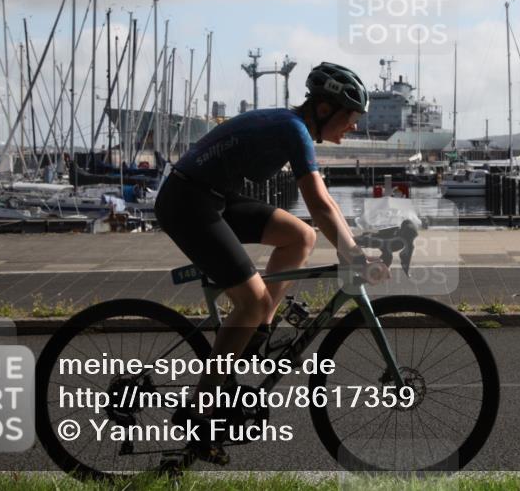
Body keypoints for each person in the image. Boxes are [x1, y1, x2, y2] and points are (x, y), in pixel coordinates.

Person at [154, 62, 389, 463]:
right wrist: (352, 254)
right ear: (325, 109)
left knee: (301, 236)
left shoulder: (296, 129)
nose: (353, 126)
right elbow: (316, 201)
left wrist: (351, 243)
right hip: (187, 202)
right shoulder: (293, 129)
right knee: (251, 300)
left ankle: (257, 331)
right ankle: (197, 413)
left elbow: (324, 205)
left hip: (214, 197)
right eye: (351, 117)